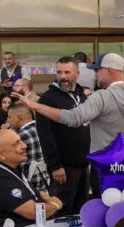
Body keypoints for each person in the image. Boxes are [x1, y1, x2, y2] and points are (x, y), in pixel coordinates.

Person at [15, 52, 124, 158]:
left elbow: (73, 118)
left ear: (109, 70)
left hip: (106, 163)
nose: (95, 74)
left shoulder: (102, 96)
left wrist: (36, 106)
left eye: (98, 70)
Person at [0, 129, 63, 227]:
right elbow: (34, 213)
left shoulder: (12, 169)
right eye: (16, 144)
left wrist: (46, 201)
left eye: (21, 141)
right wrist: (55, 204)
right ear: (1, 155)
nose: (24, 146)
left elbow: (38, 196)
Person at [35, 56, 90, 214]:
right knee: (62, 213)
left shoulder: (82, 96)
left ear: (77, 74)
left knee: (81, 212)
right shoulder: (48, 99)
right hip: (64, 168)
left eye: (67, 72)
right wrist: (55, 166)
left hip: (83, 165)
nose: (63, 76)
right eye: (59, 72)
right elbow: (45, 135)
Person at [6, 102, 49, 194]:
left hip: (26, 187)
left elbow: (4, 162)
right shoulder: (42, 128)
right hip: (45, 182)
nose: (8, 120)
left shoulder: (20, 136)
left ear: (21, 117)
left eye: (10, 117)